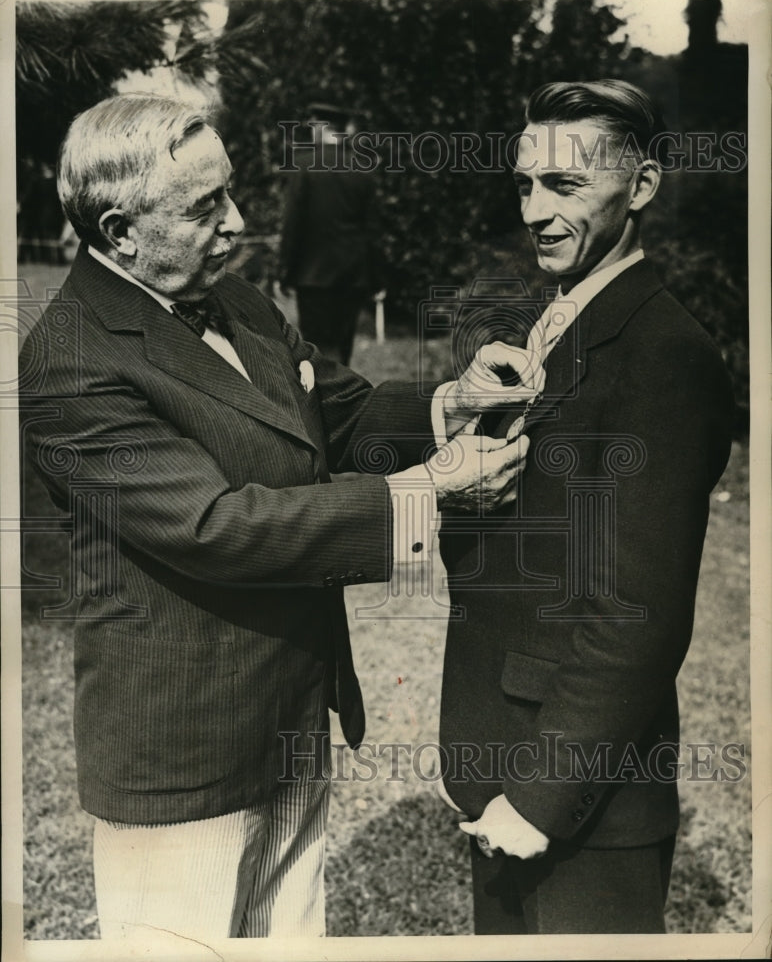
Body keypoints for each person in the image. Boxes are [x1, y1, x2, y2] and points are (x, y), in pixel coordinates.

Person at [18, 93, 539, 942]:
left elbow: (341, 414)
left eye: (230, 193)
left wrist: (456, 399)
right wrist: (432, 493)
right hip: (182, 759)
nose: (238, 223)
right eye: (204, 208)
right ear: (119, 233)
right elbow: (217, 528)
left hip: (290, 716)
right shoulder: (69, 362)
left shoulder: (239, 301)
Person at [436, 80, 734, 934]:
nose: (535, 209)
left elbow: (639, 614)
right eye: (525, 183)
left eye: (565, 186)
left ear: (641, 188)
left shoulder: (667, 354)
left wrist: (536, 801)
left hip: (580, 804)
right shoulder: (548, 318)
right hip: (501, 763)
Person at [278, 100, 383, 364]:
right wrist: (377, 278)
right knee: (343, 347)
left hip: (313, 276)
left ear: (320, 128)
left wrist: (285, 271)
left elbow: (293, 224)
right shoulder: (364, 168)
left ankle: (323, 401)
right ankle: (346, 398)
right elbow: (373, 229)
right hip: (353, 275)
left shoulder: (302, 166)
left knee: (316, 349)